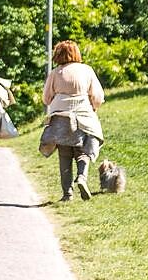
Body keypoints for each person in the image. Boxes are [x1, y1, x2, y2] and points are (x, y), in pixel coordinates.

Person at [40, 40, 106, 201]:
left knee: (64, 155)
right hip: (83, 116)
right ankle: (82, 178)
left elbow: (46, 98)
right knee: (82, 151)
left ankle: (67, 194)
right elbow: (97, 97)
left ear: (58, 55)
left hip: (60, 118)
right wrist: (93, 107)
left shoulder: (55, 73)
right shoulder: (87, 70)